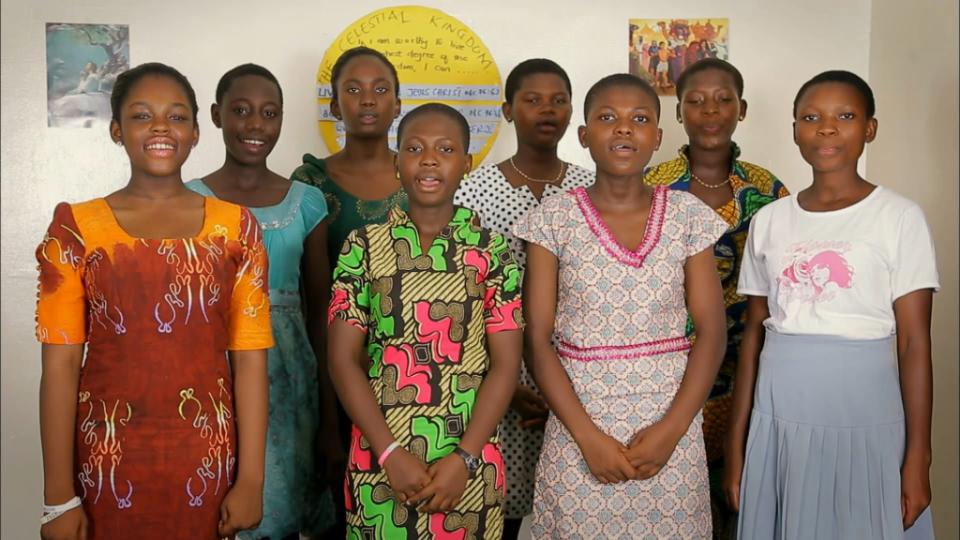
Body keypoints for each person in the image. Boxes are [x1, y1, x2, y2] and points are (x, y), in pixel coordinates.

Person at [36, 62, 270, 540]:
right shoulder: (75, 229)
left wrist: (250, 480)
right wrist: (58, 496)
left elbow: (249, 362)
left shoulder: (236, 228)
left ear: (196, 133)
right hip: (106, 462)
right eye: (142, 116)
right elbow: (60, 365)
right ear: (116, 130)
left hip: (206, 461)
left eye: (177, 116)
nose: (161, 127)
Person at [725, 70, 937, 540]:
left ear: (870, 128)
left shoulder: (899, 217)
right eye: (811, 117)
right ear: (794, 130)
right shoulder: (770, 220)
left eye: (845, 116)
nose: (826, 128)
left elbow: (914, 344)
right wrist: (738, 446)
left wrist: (919, 457)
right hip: (779, 411)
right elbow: (753, 337)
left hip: (864, 411)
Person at [515, 74, 728, 538]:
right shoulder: (552, 221)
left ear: (658, 137)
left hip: (670, 429)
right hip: (580, 431)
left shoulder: (689, 216)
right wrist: (588, 438)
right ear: (583, 135)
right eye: (608, 117)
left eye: (640, 119)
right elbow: (536, 340)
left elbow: (713, 334)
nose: (625, 128)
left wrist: (672, 430)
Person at [327, 103, 524, 539]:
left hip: (468, 469)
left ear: (467, 164)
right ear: (397, 163)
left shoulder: (492, 252)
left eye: (445, 149)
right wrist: (390, 454)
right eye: (415, 148)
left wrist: (464, 459)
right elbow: (342, 360)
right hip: (380, 464)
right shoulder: (362, 247)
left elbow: (506, 365)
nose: (430, 159)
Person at [185, 63, 337, 540]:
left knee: (280, 510)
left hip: (290, 382)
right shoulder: (187, 201)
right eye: (241, 111)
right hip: (211, 375)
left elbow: (321, 315)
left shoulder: (307, 202)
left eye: (269, 113)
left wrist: (329, 418)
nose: (255, 124)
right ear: (216, 115)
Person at [644, 58, 788, 540]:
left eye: (723, 100)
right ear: (678, 111)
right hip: (668, 379)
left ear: (741, 109)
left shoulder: (770, 192)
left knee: (743, 503)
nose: (711, 110)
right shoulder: (651, 186)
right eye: (697, 101)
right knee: (670, 511)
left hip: (752, 377)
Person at [453, 58, 593, 540]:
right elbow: (462, 297)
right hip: (496, 374)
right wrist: (507, 383)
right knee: (501, 511)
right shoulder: (472, 193)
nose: (547, 110)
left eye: (558, 100)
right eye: (533, 100)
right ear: (508, 110)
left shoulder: (592, 189)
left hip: (577, 377)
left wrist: (567, 384)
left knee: (576, 506)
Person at [290, 46, 407, 536]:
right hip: (334, 372)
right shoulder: (310, 183)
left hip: (414, 377)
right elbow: (313, 304)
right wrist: (326, 417)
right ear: (335, 106)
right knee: (340, 513)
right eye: (353, 90)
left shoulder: (423, 175)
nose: (368, 100)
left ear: (398, 103)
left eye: (381, 89)